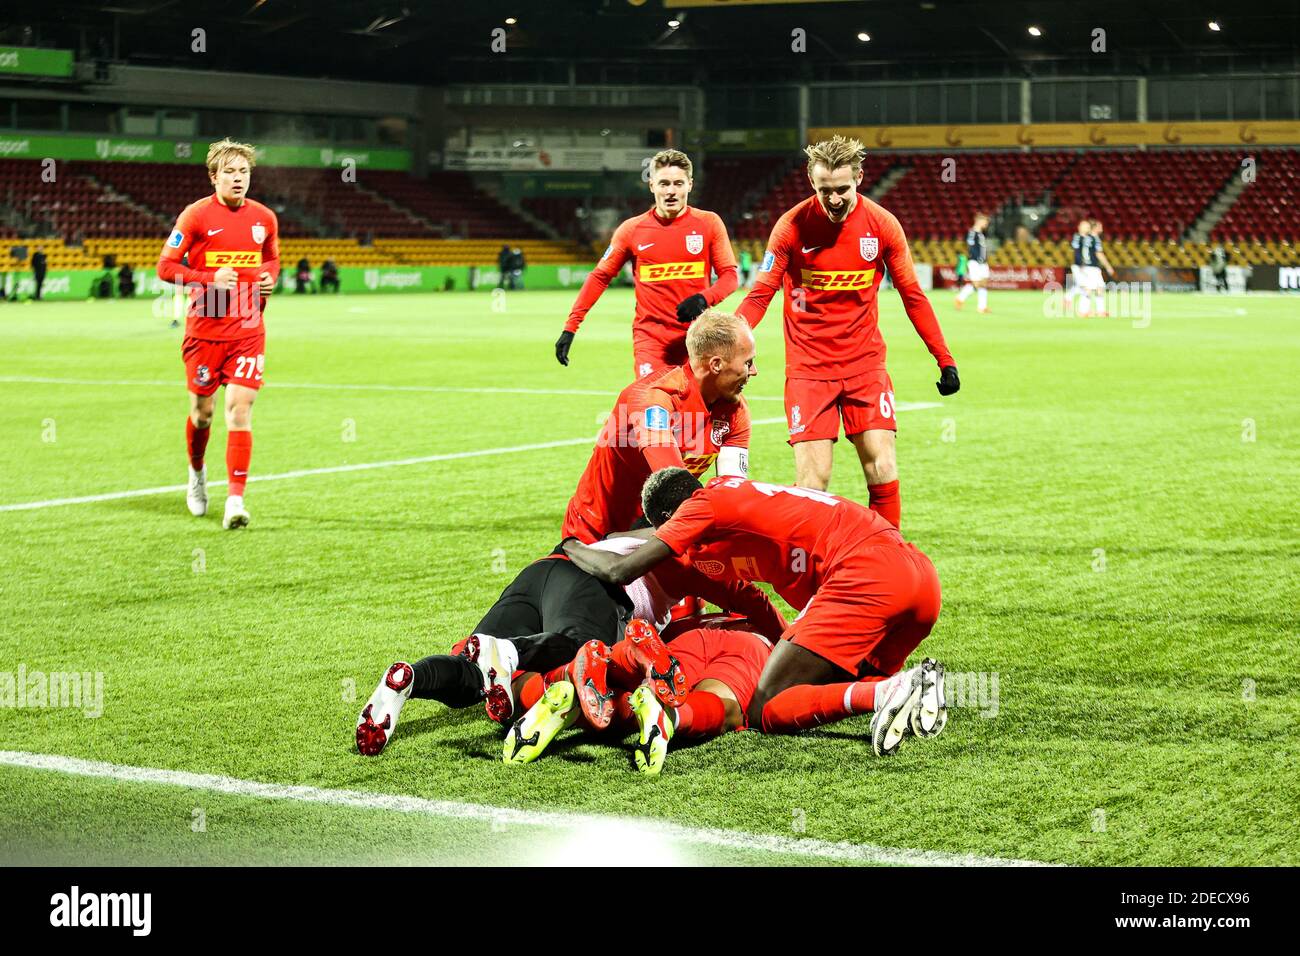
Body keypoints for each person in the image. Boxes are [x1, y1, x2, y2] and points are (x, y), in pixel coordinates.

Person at [562, 468, 949, 757]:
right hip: (918, 579)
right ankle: (910, 685)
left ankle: (889, 690)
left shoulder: (704, 507)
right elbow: (666, 540)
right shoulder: (729, 499)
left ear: (672, 517)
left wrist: (571, 545)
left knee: (767, 706)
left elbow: (619, 570)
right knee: (843, 680)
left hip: (866, 576)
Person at [354, 534, 788, 757]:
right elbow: (751, 597)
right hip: (594, 588)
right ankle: (509, 655)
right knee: (577, 647)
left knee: (471, 675)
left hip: (543, 569)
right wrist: (784, 637)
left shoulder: (635, 530)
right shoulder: (692, 551)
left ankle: (411, 678)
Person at [735, 135, 959, 529]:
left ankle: (889, 565)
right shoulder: (791, 227)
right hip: (809, 371)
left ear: (859, 177)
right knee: (813, 481)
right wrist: (735, 344)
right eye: (825, 190)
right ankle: (807, 571)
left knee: (882, 465)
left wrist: (944, 359)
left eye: (842, 189)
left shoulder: (882, 225)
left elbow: (913, 296)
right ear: (810, 180)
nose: (834, 199)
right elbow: (759, 295)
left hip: (865, 366)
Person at [157, 138, 279, 530]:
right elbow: (165, 268)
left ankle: (235, 502)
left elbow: (272, 259)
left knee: (240, 411)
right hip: (206, 331)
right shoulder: (194, 217)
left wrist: (268, 279)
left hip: (247, 329)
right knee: (203, 413)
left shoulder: (264, 218)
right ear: (214, 177)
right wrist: (209, 278)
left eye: (243, 172)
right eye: (229, 172)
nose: (238, 178)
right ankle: (196, 475)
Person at [562, 309, 754, 545]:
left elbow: (732, 490)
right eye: (748, 363)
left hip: (666, 528)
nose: (754, 371)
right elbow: (673, 486)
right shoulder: (653, 398)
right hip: (597, 535)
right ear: (716, 364)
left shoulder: (735, 409)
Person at [557, 149, 738, 377]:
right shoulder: (631, 230)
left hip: (697, 339)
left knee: (696, 412)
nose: (671, 191)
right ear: (652, 185)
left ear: (690, 185)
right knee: (653, 409)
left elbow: (730, 277)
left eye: (678, 183)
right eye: (663, 183)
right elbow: (599, 277)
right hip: (651, 343)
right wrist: (571, 327)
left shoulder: (709, 223)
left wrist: (704, 298)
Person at [954, 211, 990, 313]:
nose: (986, 224)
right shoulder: (972, 233)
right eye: (985, 222)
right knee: (976, 284)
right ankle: (960, 298)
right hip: (975, 262)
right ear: (979, 221)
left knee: (983, 284)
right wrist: (976, 258)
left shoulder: (981, 234)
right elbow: (970, 246)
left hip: (983, 262)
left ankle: (982, 307)